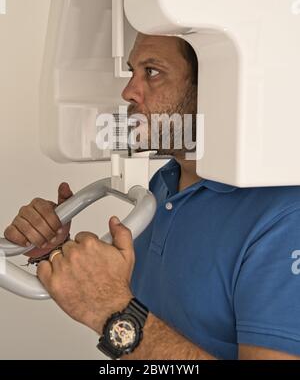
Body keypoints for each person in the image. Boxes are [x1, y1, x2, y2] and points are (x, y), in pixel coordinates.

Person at [4, 34, 300, 360]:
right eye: (133, 71)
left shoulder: (285, 218)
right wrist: (55, 253)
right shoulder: (166, 181)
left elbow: (117, 307)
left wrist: (114, 313)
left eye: (152, 72)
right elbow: (146, 306)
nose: (128, 91)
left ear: (216, 85)